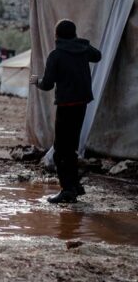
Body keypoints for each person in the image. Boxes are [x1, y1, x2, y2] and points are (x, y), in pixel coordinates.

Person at [30, 19, 101, 204]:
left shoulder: (56, 55)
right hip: (82, 104)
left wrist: (36, 81)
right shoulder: (83, 50)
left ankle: (67, 191)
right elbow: (98, 56)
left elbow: (47, 85)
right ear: (75, 34)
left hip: (65, 107)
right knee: (71, 148)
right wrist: (82, 43)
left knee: (61, 151)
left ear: (57, 35)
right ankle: (75, 186)